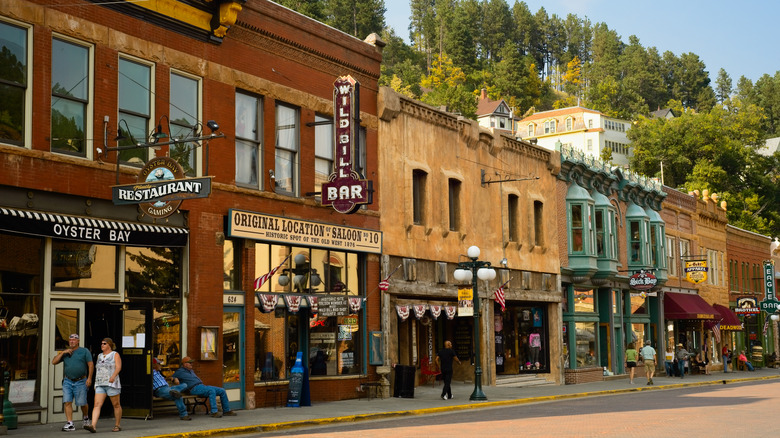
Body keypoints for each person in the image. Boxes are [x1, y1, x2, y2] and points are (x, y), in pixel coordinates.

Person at [51, 333, 93, 432]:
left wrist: (89, 378)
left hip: (81, 380)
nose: (71, 342)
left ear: (78, 341)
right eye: (70, 340)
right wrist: (62, 353)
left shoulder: (84, 351)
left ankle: (86, 418)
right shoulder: (65, 352)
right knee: (67, 401)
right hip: (68, 381)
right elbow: (53, 362)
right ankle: (70, 423)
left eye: (74, 340)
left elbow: (90, 365)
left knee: (82, 402)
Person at [85, 338, 122, 433]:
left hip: (111, 383)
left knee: (116, 404)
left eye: (104, 344)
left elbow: (118, 367)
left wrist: (113, 376)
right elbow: (98, 369)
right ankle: (93, 425)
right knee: (97, 404)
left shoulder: (115, 354)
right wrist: (95, 383)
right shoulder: (99, 356)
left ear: (109, 345)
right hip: (100, 383)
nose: (102, 345)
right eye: (101, 343)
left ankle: (117, 425)